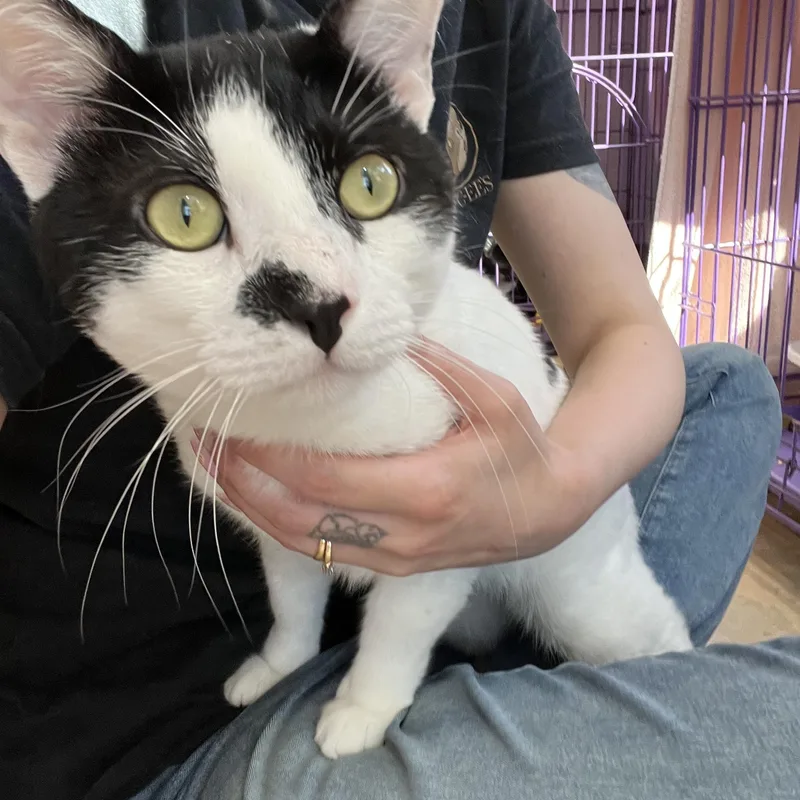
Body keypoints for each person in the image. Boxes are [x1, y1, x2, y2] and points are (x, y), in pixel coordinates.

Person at [0, 1, 796, 799]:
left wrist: (549, 495)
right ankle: (555, 713)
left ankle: (540, 711)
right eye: (188, 215)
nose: (322, 296)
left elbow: (623, 329)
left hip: (460, 590)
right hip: (171, 735)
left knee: (727, 386)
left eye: (367, 185)